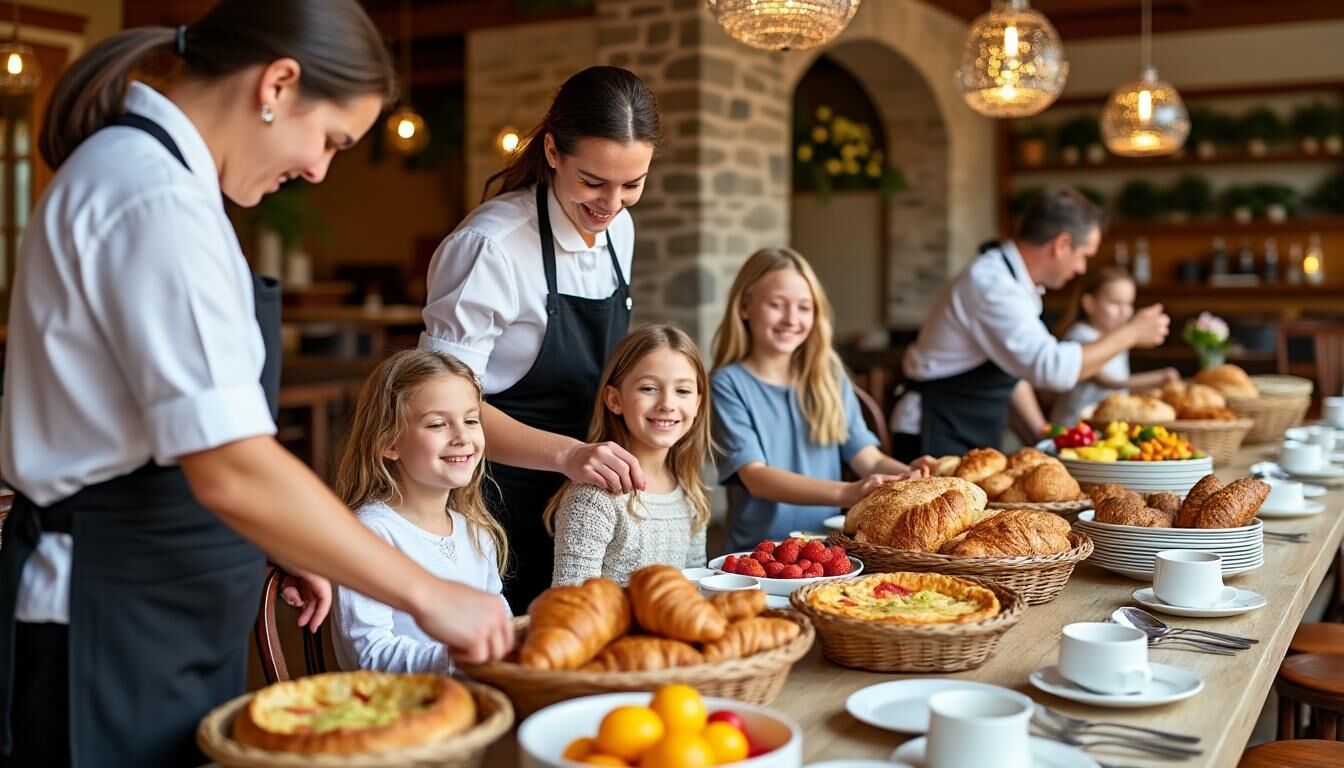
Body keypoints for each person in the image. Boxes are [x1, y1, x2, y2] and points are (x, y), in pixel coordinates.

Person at [0, 4, 511, 766]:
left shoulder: (163, 184)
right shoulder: (154, 199)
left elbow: (176, 433)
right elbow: (232, 467)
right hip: (111, 611)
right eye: (331, 139)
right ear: (277, 83)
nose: (318, 170)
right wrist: (427, 593)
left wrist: (281, 537)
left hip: (155, 599)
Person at [420, 66, 660, 611]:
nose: (611, 204)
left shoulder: (619, 229)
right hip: (491, 499)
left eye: (632, 185)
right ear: (552, 152)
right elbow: (439, 405)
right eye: (593, 182)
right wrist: (567, 454)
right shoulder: (491, 246)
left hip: (582, 493)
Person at [890, 187, 1172, 460]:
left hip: (965, 426)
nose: (1081, 269)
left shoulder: (1013, 281)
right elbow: (1053, 369)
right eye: (1084, 255)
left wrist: (1041, 431)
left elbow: (1014, 367)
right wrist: (1131, 333)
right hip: (931, 432)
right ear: (1062, 245)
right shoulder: (994, 286)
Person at [710, 248, 935, 552]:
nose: (792, 319)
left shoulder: (828, 379)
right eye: (777, 305)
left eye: (804, 307)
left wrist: (909, 477)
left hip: (825, 551)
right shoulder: (728, 383)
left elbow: (867, 459)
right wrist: (847, 493)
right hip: (756, 555)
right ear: (745, 307)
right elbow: (757, 477)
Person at [331, 350, 510, 674]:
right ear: (389, 443)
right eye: (438, 424)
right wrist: (461, 657)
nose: (462, 437)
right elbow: (369, 655)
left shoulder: (477, 532)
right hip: (402, 711)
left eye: (471, 420)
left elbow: (500, 625)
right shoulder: (370, 535)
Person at [547, 324, 710, 586]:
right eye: (649, 388)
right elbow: (571, 601)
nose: (667, 404)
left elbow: (693, 589)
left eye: (683, 391)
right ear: (614, 400)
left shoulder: (691, 493)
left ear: (697, 404)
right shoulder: (593, 496)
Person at [1049, 267, 1180, 425]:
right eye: (1115, 303)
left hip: (1106, 423)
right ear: (1089, 304)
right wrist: (1158, 378)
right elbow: (1108, 382)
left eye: (1129, 304)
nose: (1124, 312)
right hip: (1074, 427)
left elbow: (1121, 389)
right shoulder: (1080, 335)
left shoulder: (1119, 337)